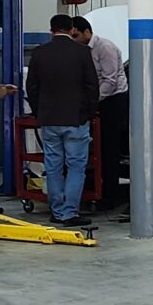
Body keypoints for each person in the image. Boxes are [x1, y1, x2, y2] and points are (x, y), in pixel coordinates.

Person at [23, 12, 99, 227]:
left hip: (49, 119)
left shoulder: (40, 53)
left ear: (51, 31)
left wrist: (39, 112)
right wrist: (89, 113)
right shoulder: (82, 52)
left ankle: (56, 210)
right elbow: (92, 86)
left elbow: (31, 87)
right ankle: (70, 212)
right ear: (72, 29)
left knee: (53, 166)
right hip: (76, 119)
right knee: (75, 166)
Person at [74, 16, 129, 211]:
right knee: (95, 149)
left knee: (109, 149)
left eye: (76, 35)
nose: (73, 39)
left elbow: (110, 81)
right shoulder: (80, 50)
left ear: (87, 32)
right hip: (96, 100)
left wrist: (92, 101)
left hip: (113, 101)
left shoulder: (104, 48)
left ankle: (110, 195)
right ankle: (95, 189)